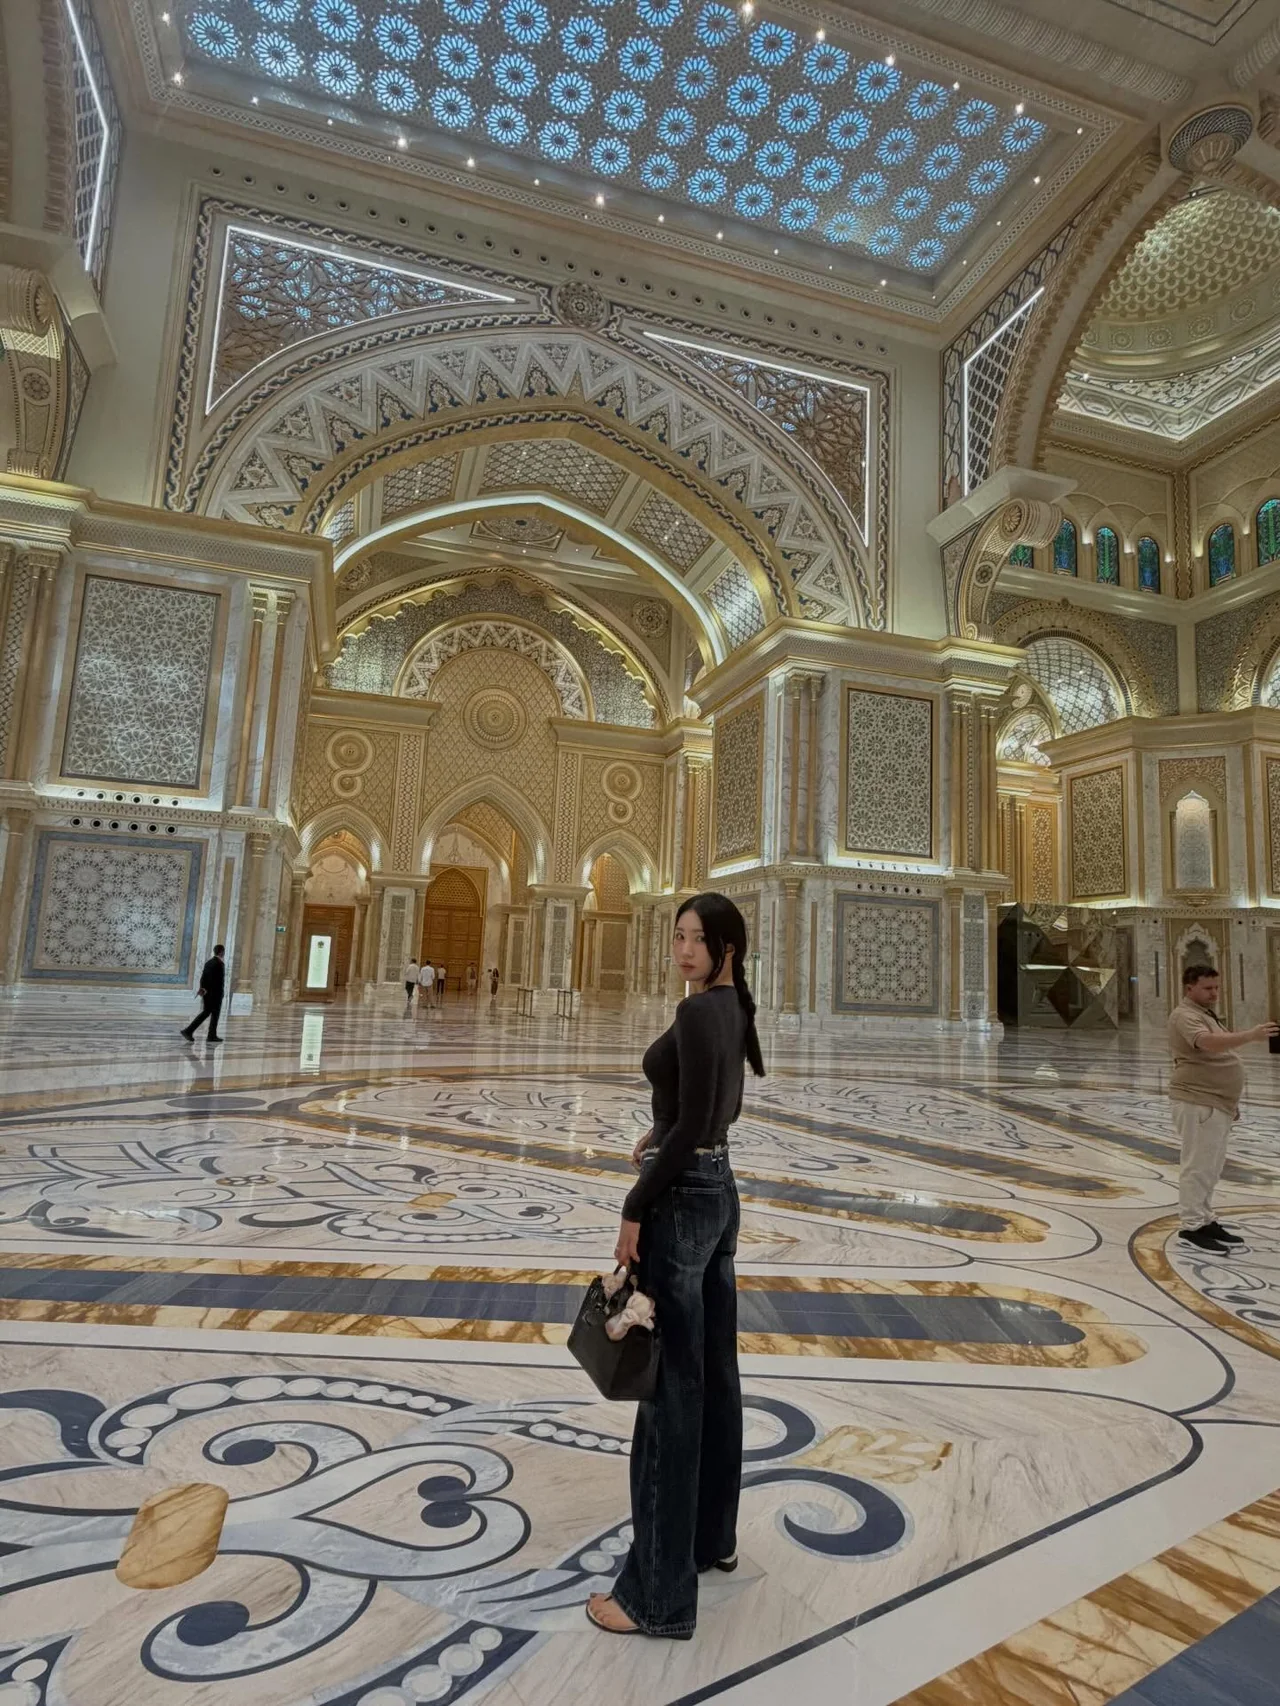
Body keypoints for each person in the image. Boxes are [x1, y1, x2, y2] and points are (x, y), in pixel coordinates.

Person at [588, 892, 765, 1640]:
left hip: (684, 1200)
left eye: (698, 939)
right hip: (719, 1191)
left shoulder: (698, 1013)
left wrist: (636, 1202)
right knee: (715, 1374)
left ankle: (656, 1596)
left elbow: (696, 1117)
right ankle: (711, 1539)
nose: (684, 949)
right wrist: (660, 1129)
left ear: (727, 948)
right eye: (679, 936)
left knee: (670, 1391)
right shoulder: (732, 1007)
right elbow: (714, 1108)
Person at [1169, 963, 1277, 1253]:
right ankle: (1191, 1227)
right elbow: (1208, 1043)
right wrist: (1251, 1035)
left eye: (1216, 987)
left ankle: (1204, 1219)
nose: (1214, 993)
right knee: (1198, 1166)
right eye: (1207, 988)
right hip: (1197, 1100)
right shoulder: (1184, 1015)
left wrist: (1231, 1100)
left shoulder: (1205, 1014)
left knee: (1211, 1167)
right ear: (1189, 988)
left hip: (1216, 1102)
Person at [181, 944, 226, 1043]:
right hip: (215, 994)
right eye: (223, 951)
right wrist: (220, 993)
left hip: (207, 993)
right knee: (213, 1014)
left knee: (208, 1013)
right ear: (221, 952)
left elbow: (203, 978)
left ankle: (210, 1035)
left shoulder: (209, 962)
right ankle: (190, 1031)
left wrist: (203, 988)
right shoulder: (219, 963)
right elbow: (218, 982)